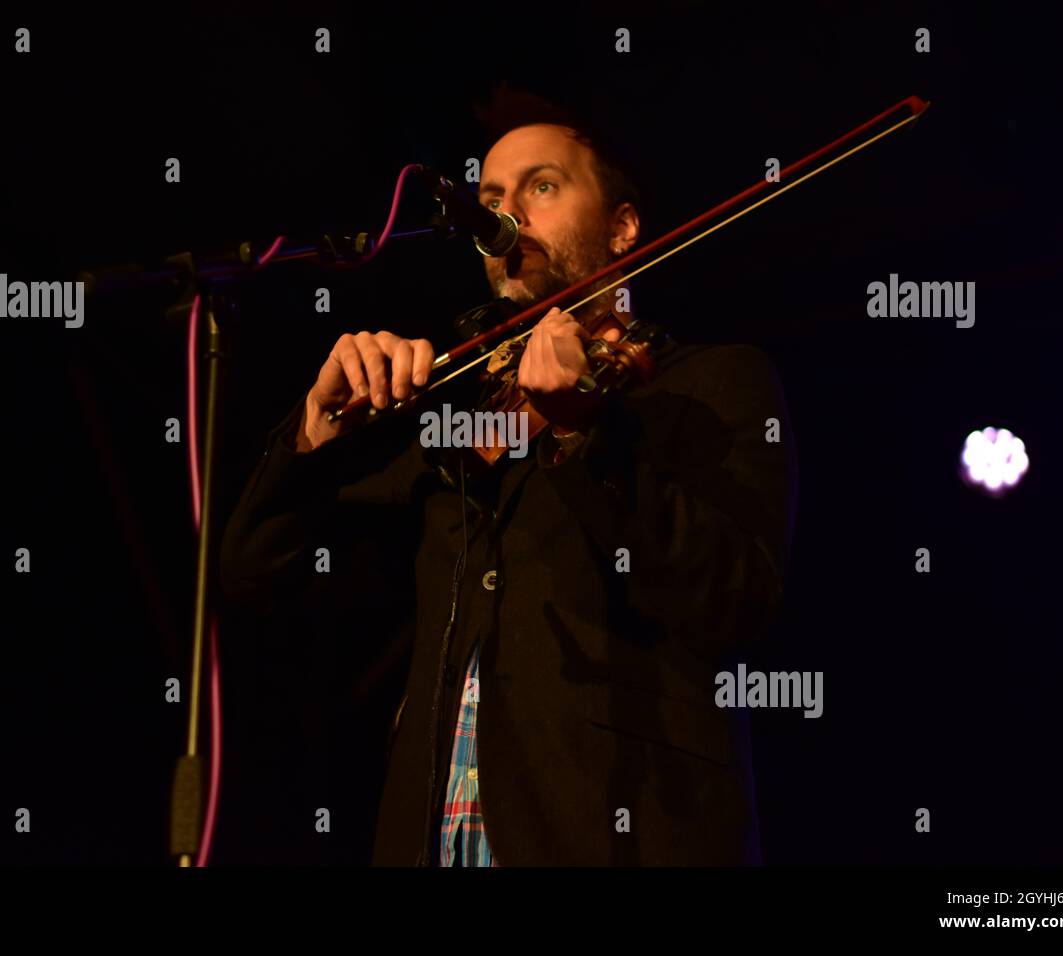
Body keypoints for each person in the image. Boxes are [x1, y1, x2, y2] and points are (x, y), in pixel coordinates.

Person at [219, 90, 796, 866]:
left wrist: (588, 433)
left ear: (623, 226)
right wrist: (314, 436)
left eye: (543, 187)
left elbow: (735, 599)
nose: (509, 217)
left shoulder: (711, 384)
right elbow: (260, 574)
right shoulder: (458, 417)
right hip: (434, 837)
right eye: (490, 200)